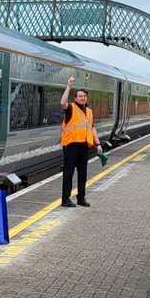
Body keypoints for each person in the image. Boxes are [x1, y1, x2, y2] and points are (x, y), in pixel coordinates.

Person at [60, 79, 101, 207]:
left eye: (84, 96)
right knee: (68, 173)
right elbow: (62, 103)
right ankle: (65, 199)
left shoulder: (89, 111)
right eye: (80, 96)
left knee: (83, 174)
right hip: (71, 146)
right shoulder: (71, 108)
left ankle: (81, 198)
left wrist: (98, 144)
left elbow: (92, 128)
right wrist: (68, 86)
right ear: (75, 98)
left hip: (84, 146)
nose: (83, 98)